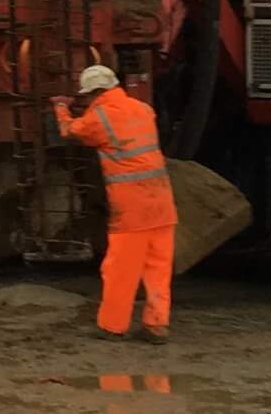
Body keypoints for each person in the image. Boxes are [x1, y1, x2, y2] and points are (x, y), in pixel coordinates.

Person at [51, 66, 178, 344]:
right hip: (162, 202)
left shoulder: (99, 118)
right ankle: (156, 326)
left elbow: (69, 131)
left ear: (93, 92)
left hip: (131, 208)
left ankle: (113, 326)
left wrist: (61, 106)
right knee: (157, 268)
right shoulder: (143, 109)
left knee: (120, 270)